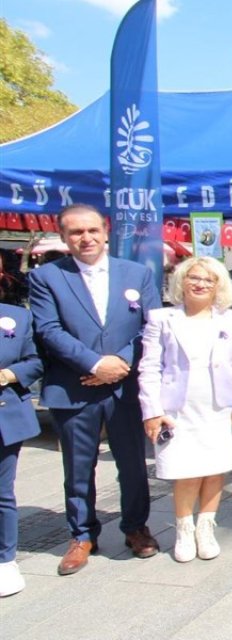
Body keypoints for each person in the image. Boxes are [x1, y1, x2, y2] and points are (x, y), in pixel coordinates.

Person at [28, 204, 163, 575]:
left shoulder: (136, 273)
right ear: (64, 237)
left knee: (134, 464)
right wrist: (94, 364)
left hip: (125, 387)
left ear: (105, 232)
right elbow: (48, 330)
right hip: (74, 386)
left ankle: (136, 526)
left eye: (91, 230)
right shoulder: (47, 277)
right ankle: (83, 534)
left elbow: (151, 327)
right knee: (78, 467)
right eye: (75, 232)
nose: (85, 238)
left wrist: (118, 363)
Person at [137, 257, 232, 563]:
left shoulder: (230, 320)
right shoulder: (162, 318)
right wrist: (151, 410)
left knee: (215, 469)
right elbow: (149, 368)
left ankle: (206, 527)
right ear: (182, 281)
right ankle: (184, 529)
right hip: (177, 410)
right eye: (194, 277)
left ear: (218, 286)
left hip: (219, 408)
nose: (201, 284)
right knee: (186, 472)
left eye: (209, 279)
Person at [0, 293, 42, 596]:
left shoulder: (18, 316)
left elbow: (36, 360)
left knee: (2, 493)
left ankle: (5, 560)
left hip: (5, 417)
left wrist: (7, 374)